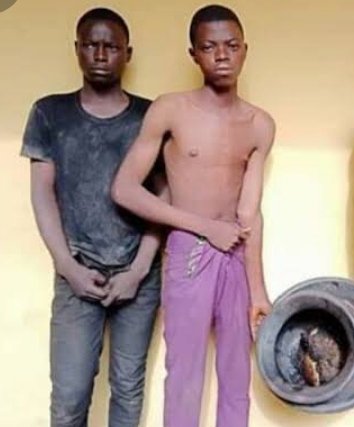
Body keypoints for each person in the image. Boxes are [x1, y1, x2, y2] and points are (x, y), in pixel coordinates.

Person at [111, 5, 274, 427]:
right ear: (194, 54)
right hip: (189, 251)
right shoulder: (171, 109)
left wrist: (258, 291)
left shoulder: (260, 124)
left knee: (237, 374)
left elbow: (250, 212)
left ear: (245, 50)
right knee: (184, 374)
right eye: (209, 47)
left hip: (236, 253)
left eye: (231, 46)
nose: (222, 55)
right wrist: (205, 228)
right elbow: (124, 189)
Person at [21, 8, 162, 427]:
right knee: (68, 398)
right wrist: (68, 266)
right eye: (91, 45)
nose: (101, 54)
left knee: (128, 391)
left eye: (111, 46)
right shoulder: (49, 113)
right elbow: (42, 194)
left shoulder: (150, 116)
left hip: (138, 277)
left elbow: (164, 196)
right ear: (77, 50)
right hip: (76, 273)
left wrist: (138, 270)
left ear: (127, 53)